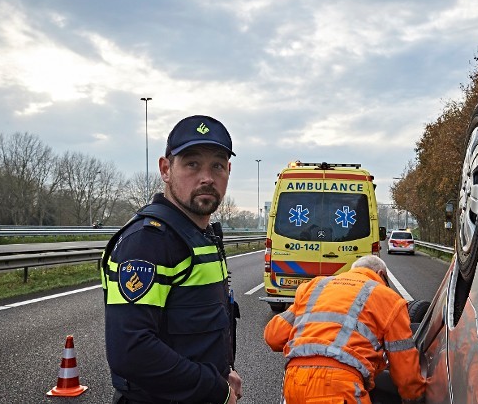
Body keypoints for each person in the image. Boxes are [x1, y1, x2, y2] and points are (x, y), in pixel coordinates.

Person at [102, 115, 243, 404]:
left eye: (217, 165)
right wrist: (217, 391)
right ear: (166, 169)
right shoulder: (149, 241)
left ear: (228, 171)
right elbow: (133, 352)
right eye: (192, 164)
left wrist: (223, 372)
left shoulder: (200, 235)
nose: (207, 177)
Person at [264, 255, 426, 404]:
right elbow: (403, 364)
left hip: (294, 381)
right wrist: (415, 395)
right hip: (340, 386)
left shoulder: (315, 287)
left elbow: (273, 337)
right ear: (380, 273)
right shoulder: (389, 298)